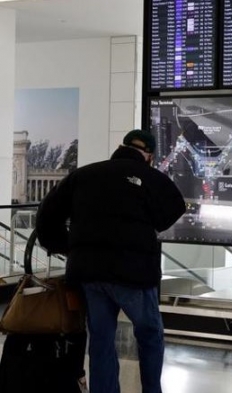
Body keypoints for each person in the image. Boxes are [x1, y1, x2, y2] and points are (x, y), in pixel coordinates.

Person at [36, 129, 186, 393]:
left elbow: (46, 216)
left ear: (120, 146)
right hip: (134, 274)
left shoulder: (83, 175)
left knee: (101, 341)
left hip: (89, 274)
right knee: (149, 334)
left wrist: (67, 246)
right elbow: (175, 207)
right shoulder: (151, 177)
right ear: (149, 156)